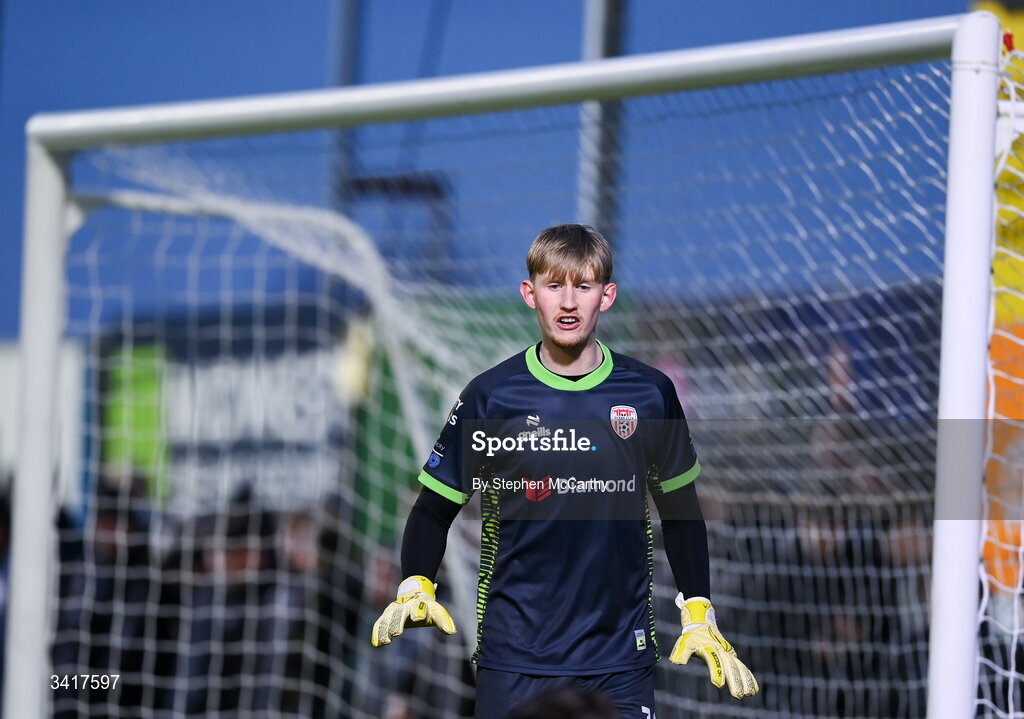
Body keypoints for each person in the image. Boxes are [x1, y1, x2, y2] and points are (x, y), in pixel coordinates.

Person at [370, 224, 758, 718]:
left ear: (608, 295)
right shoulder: (491, 396)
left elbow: (682, 514)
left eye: (585, 285)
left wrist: (698, 611)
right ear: (530, 294)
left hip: (620, 660)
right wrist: (416, 583)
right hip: (515, 659)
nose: (569, 302)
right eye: (555, 286)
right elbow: (432, 509)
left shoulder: (649, 393)